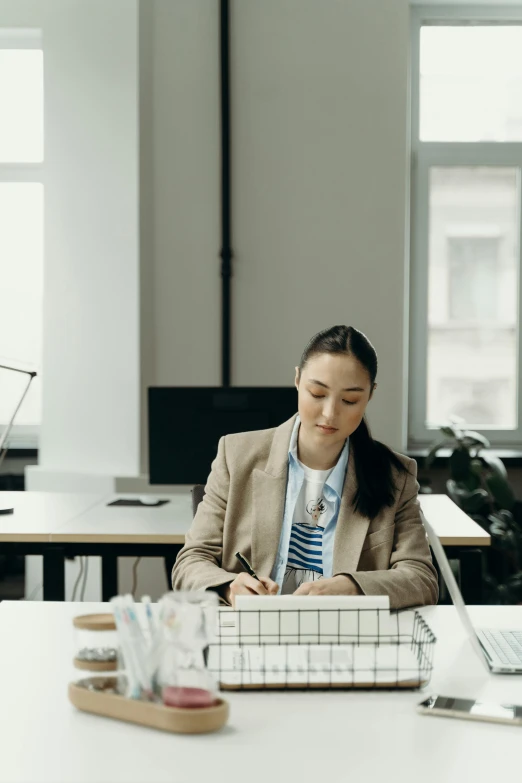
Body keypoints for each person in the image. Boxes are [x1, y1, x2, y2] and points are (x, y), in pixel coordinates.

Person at [172, 325, 438, 609]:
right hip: (253, 633)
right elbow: (191, 561)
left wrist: (354, 588)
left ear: (370, 394)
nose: (330, 413)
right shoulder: (236, 456)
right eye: (317, 393)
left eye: (350, 400)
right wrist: (228, 587)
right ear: (297, 380)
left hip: (343, 638)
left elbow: (421, 578)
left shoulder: (396, 474)